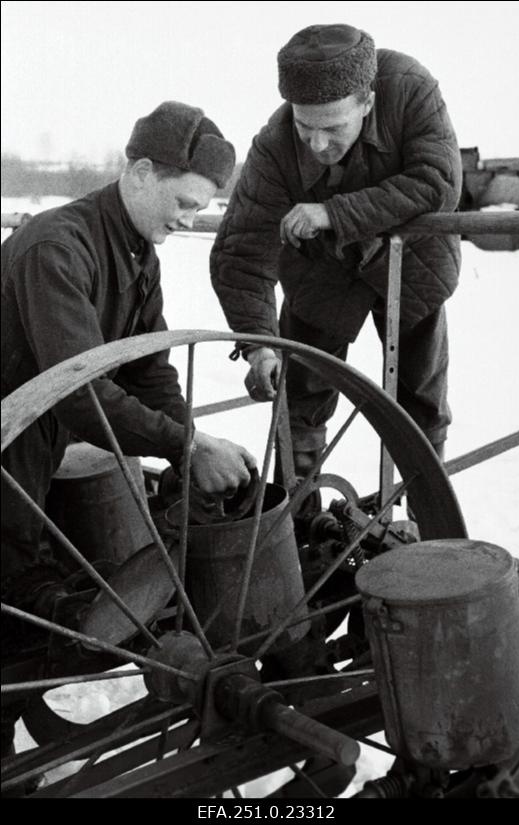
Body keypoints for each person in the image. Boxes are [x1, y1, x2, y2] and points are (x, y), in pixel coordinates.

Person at [1, 102, 257, 765]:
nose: (189, 219)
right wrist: (184, 446)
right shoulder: (58, 248)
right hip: (11, 443)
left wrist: (188, 445)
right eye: (184, 202)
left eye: (201, 208)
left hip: (34, 439)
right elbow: (79, 391)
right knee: (10, 598)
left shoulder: (138, 251)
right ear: (141, 173)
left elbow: (147, 368)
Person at [211, 24, 463, 480]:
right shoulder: (273, 146)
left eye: (332, 128)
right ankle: (299, 511)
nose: (318, 144)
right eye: (305, 127)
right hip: (320, 273)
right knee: (299, 400)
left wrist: (334, 213)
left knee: (421, 401)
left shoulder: (410, 89)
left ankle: (427, 512)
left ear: (367, 102)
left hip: (411, 265)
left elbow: (438, 181)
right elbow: (241, 253)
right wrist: (259, 345)